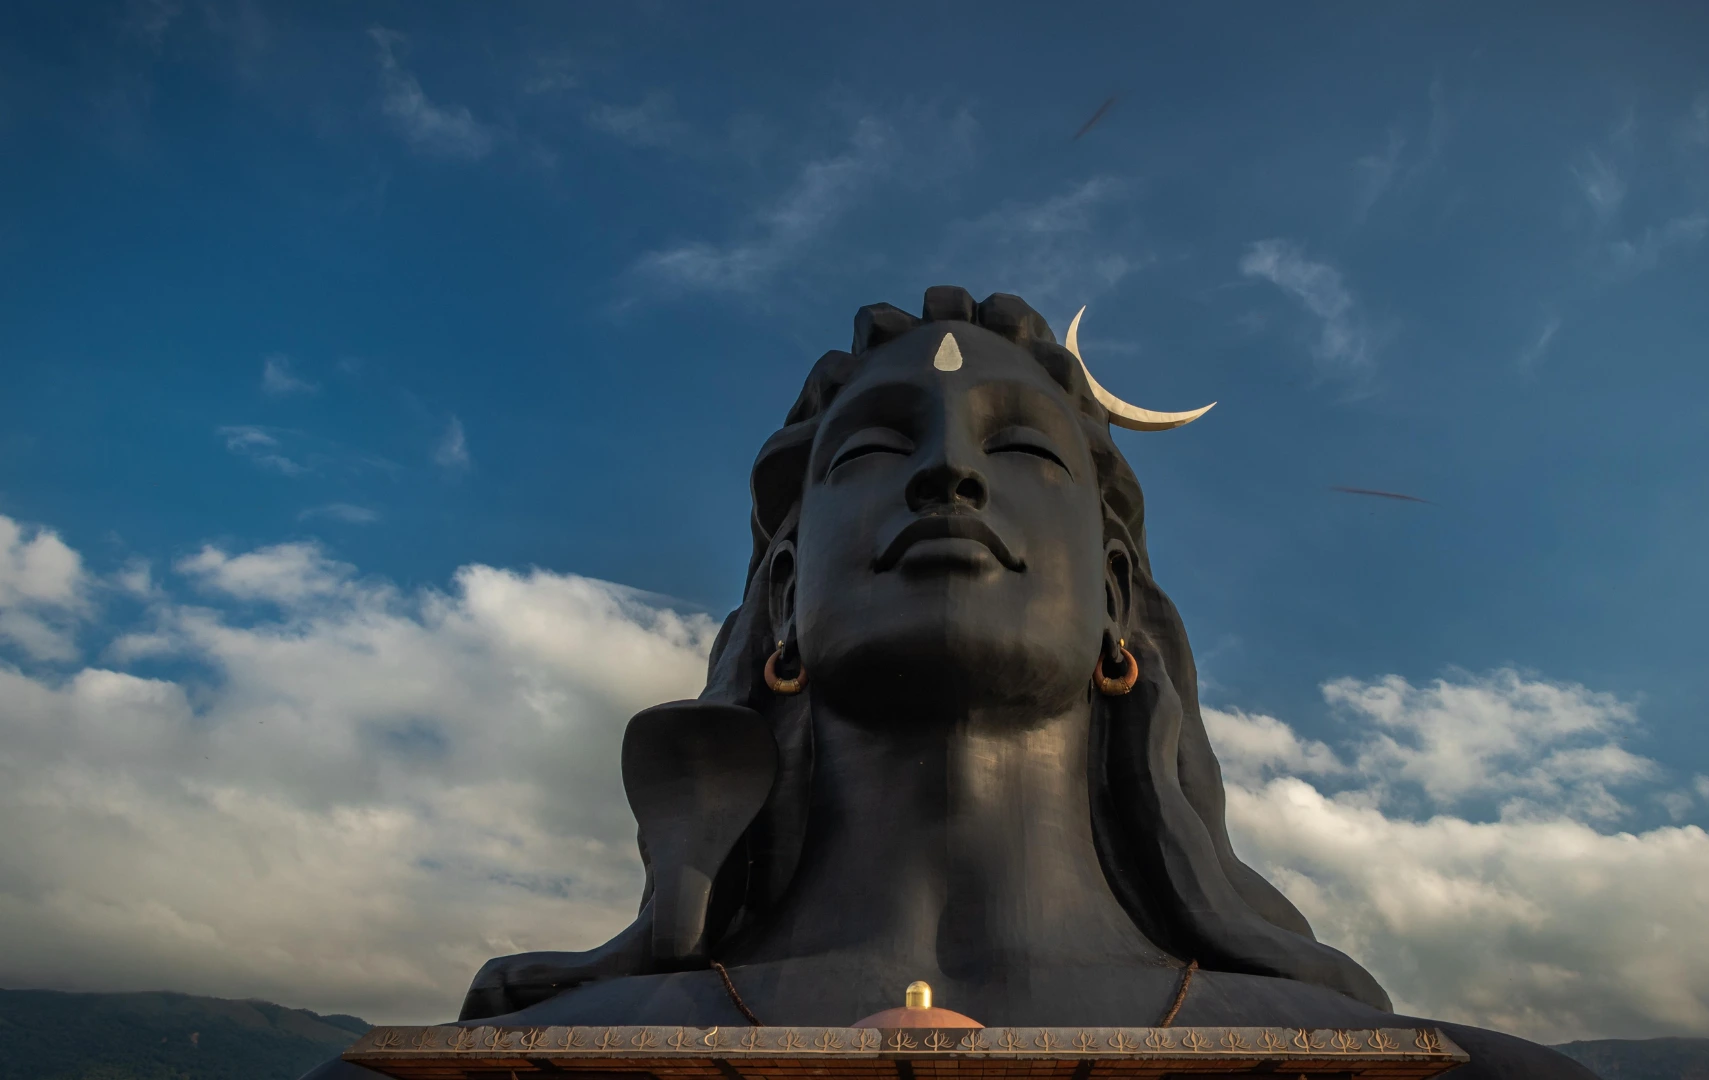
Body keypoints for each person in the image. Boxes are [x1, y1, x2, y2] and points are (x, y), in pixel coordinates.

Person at [301, 287, 1596, 1080]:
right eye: (875, 447)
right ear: (784, 592)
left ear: (1116, 594)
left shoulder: (1427, 1073)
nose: (948, 473)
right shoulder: (513, 1066)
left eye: (1021, 449)